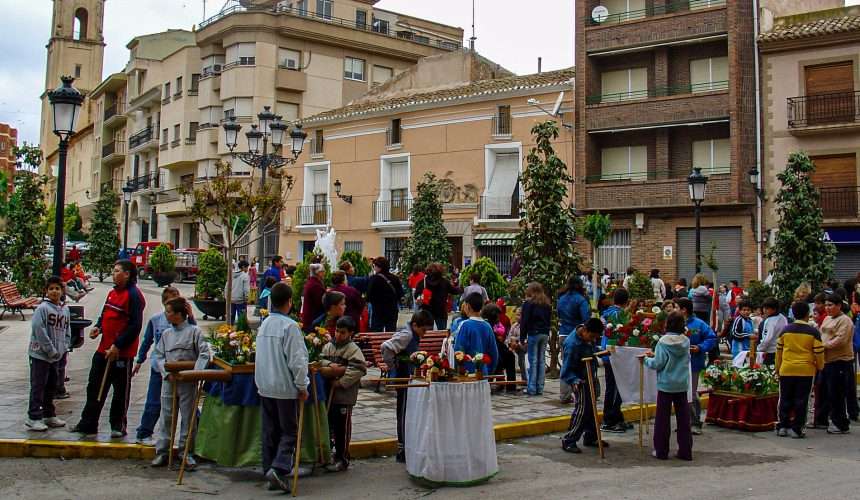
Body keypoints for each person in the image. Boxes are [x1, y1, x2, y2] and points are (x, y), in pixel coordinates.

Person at [72, 260, 146, 438]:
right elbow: (106, 314)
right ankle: (88, 423)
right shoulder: (112, 293)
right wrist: (99, 327)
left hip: (121, 352)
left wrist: (118, 345)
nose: (113, 274)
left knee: (121, 391)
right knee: (95, 387)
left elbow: (135, 326)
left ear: (127, 274)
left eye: (117, 271)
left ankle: (118, 425)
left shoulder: (134, 296)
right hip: (103, 349)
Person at [255, 282, 309, 493]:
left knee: (270, 430)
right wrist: (302, 385)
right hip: (284, 386)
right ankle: (278, 468)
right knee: (289, 431)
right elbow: (297, 360)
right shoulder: (290, 327)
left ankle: (269, 468)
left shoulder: (265, 324)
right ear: (289, 302)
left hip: (265, 384)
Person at [150, 297, 211, 468]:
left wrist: (195, 373)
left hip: (188, 382)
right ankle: (163, 451)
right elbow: (159, 355)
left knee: (188, 417)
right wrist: (166, 372)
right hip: (169, 380)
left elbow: (204, 354)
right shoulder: (166, 334)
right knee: (167, 416)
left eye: (169, 312)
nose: (166, 315)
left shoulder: (194, 332)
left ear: (178, 314)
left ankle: (186, 452)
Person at [133, 286, 195, 446]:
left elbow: (195, 336)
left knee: (188, 405)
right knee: (154, 401)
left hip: (181, 367)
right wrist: (140, 360)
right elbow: (147, 341)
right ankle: (144, 432)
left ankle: (192, 438)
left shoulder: (187, 323)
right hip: (160, 367)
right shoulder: (156, 320)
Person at [381, 310, 434, 463]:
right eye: (423, 330)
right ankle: (402, 448)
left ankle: (407, 446)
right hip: (403, 376)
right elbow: (386, 347)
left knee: (408, 411)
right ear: (415, 325)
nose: (424, 334)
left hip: (409, 376)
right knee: (403, 412)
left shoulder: (412, 333)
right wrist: (393, 366)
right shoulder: (407, 335)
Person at [318, 316, 367, 472]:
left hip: (344, 397)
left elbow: (358, 369)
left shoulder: (353, 350)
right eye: (337, 331)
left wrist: (340, 382)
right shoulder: (328, 347)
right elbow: (320, 360)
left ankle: (343, 457)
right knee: (329, 426)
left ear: (350, 333)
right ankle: (330, 455)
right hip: (329, 396)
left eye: (343, 332)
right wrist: (331, 366)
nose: (338, 335)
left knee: (342, 429)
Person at [645, 312, 693, 461]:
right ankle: (685, 451)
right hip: (681, 384)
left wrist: (646, 359)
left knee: (662, 419)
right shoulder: (686, 341)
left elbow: (658, 363)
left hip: (666, 385)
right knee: (684, 419)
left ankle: (661, 450)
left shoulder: (663, 341)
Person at [25, 276, 70, 432]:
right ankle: (33, 416)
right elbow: (39, 330)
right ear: (46, 291)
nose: (54, 291)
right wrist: (50, 349)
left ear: (62, 291)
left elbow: (67, 330)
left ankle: (48, 414)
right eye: (51, 289)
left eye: (57, 288)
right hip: (40, 355)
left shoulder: (65, 309)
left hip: (56, 356)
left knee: (52, 385)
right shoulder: (42, 309)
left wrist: (64, 347)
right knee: (38, 385)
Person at [775, 301, 824, 438]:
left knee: (785, 398)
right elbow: (819, 353)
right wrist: (820, 367)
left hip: (787, 369)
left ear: (793, 313)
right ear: (807, 314)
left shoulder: (785, 330)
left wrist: (778, 368)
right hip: (806, 370)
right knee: (802, 400)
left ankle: (783, 426)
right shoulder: (813, 332)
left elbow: (779, 352)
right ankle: (797, 428)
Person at [560, 318, 606, 454]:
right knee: (582, 411)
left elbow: (591, 350)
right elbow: (566, 371)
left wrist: (599, 352)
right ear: (585, 330)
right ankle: (569, 439)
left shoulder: (588, 338)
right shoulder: (572, 345)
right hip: (580, 381)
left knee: (591, 410)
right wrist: (575, 380)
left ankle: (591, 436)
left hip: (590, 376)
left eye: (595, 338)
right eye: (592, 337)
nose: (592, 340)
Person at [675, 298, 716, 434]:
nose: (674, 309)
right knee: (680, 393)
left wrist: (700, 347)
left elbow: (711, 338)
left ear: (683, 310)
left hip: (693, 363)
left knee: (691, 393)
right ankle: (684, 421)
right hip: (677, 364)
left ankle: (695, 422)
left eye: (676, 307)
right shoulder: (674, 323)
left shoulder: (699, 324)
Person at [819, 293, 855, 435]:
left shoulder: (845, 321)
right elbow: (821, 333)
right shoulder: (827, 319)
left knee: (837, 393)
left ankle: (841, 424)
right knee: (825, 392)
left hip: (840, 361)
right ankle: (824, 419)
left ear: (839, 306)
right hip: (826, 361)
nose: (827, 308)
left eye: (830, 305)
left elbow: (841, 340)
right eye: (826, 305)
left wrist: (824, 346)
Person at [600, 288, 630, 433]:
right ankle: (609, 420)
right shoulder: (619, 315)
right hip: (615, 355)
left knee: (613, 387)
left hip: (608, 353)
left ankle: (617, 417)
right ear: (626, 301)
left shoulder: (607, 312)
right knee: (615, 388)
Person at [557, 277, 591, 404]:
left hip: (563, 333)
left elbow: (559, 314)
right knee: (579, 366)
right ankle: (580, 392)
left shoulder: (561, 298)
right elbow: (586, 318)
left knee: (566, 365)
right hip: (576, 335)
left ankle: (565, 394)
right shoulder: (581, 300)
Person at [454, 292, 499, 376]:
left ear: (468, 306)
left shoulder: (465, 325)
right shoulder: (487, 326)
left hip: (468, 374)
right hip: (484, 373)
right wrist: (489, 371)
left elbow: (459, 351)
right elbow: (494, 353)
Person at [520, 282, 551, 396]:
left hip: (534, 332)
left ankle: (532, 388)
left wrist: (522, 337)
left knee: (533, 360)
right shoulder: (546, 303)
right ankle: (540, 387)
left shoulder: (529, 303)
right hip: (544, 333)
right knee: (541, 360)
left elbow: (524, 321)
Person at [414, 262, 462, 330]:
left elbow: (416, 295)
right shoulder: (445, 282)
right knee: (441, 332)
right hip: (441, 311)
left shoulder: (423, 282)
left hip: (426, 312)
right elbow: (455, 291)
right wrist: (461, 288)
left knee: (427, 334)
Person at [482, 303, 515, 393]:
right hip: (490, 355)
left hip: (497, 352)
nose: (498, 318)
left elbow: (498, 343)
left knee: (510, 355)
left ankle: (510, 386)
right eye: (497, 316)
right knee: (506, 357)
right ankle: (509, 386)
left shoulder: (492, 325)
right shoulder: (486, 325)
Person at [367, 257, 403, 332]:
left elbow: (369, 295)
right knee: (391, 331)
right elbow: (400, 293)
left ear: (379, 267)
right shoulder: (395, 278)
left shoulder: (374, 279)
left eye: (374, 266)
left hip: (378, 310)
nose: (374, 268)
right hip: (392, 309)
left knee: (376, 331)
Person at [758, 297, 788, 366]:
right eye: (764, 308)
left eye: (767, 309)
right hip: (781, 349)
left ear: (774, 309)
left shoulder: (769, 321)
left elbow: (767, 339)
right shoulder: (783, 317)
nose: (764, 310)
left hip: (770, 352)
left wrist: (759, 349)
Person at [301, 263, 327, 333]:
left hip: (310, 317)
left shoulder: (312, 282)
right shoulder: (315, 285)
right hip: (313, 318)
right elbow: (321, 303)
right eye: (323, 271)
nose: (325, 273)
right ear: (318, 273)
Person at [506, 307, 527, 384]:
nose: (517, 317)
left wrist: (515, 340)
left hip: (522, 346)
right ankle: (522, 378)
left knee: (521, 362)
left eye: (519, 315)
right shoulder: (514, 325)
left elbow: (523, 337)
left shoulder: (524, 326)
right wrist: (511, 340)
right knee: (518, 362)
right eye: (516, 315)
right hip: (513, 345)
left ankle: (525, 379)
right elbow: (509, 336)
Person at [226, 260, 251, 324]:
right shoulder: (245, 276)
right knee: (241, 317)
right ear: (243, 267)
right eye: (247, 267)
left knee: (231, 316)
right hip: (241, 300)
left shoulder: (231, 275)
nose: (247, 269)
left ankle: (229, 330)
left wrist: (226, 296)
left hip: (231, 299)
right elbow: (246, 289)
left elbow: (227, 286)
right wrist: (247, 298)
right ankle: (241, 331)